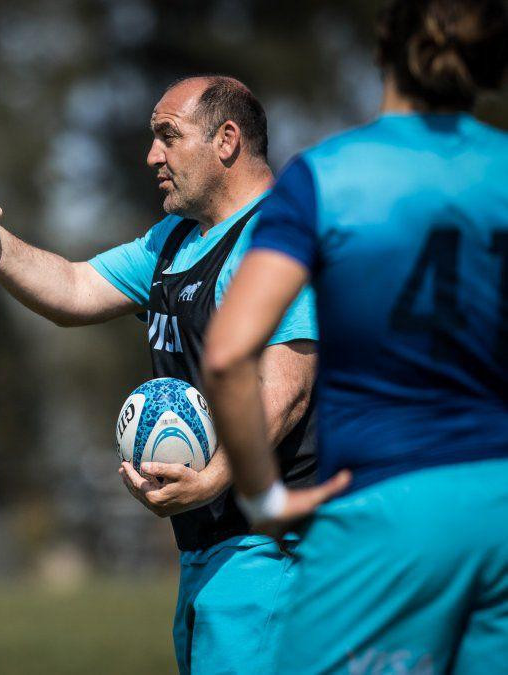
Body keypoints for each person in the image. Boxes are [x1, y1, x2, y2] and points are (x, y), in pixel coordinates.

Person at [0, 76, 318, 673]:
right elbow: (77, 288)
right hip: (209, 553)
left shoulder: (278, 234)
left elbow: (285, 392)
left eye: (169, 136)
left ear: (227, 140)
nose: (152, 156)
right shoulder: (174, 242)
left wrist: (211, 480)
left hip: (271, 556)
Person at [202, 1, 508, 672]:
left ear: (381, 51)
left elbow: (226, 356)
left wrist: (263, 497)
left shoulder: (325, 177)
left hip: (385, 510)